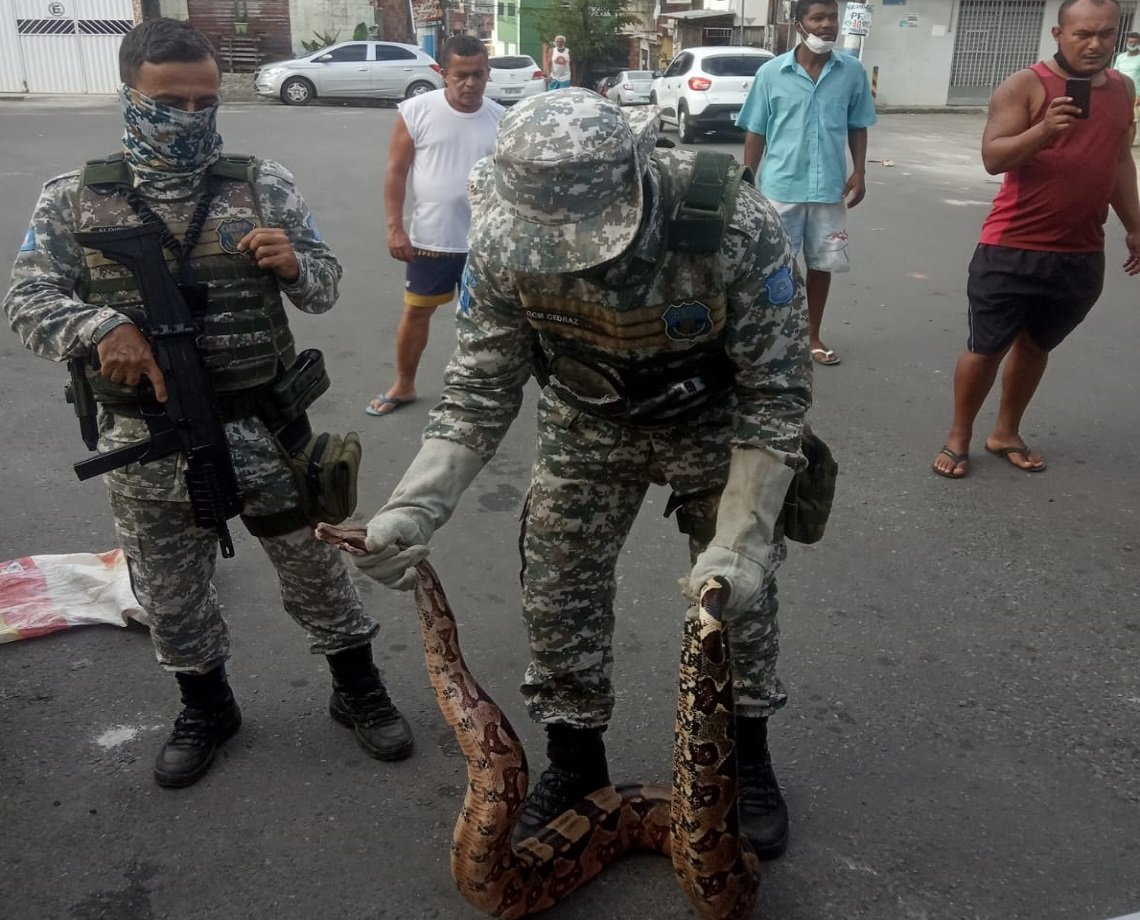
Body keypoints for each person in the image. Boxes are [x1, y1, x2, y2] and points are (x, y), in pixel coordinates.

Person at [345, 90, 811, 860]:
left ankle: (746, 753)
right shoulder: (498, 236)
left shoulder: (730, 224)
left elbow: (776, 389)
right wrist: (412, 510)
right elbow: (480, 388)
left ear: (636, 172)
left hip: (712, 422)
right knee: (557, 584)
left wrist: (745, 534)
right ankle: (575, 759)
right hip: (587, 417)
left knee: (735, 596)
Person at [3, 19, 414, 788]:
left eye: (204, 101)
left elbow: (325, 288)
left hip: (265, 427)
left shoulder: (262, 183)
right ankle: (206, 705)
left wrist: (296, 265)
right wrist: (100, 326)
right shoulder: (75, 200)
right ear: (130, 95)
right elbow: (25, 299)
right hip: (149, 436)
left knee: (316, 568)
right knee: (170, 585)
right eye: (170, 102)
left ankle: (357, 688)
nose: (191, 117)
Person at [931, 0, 1140, 479]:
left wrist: (1134, 225)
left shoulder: (1123, 87)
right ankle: (959, 435)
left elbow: (1121, 162)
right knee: (986, 346)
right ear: (1057, 33)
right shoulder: (1024, 85)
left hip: (1081, 252)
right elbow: (993, 157)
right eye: (1083, 34)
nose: (1096, 44)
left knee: (1037, 345)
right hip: (1012, 246)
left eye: (1107, 34)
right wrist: (1045, 129)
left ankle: (1006, 431)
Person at [366, 35, 504, 418]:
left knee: (485, 324)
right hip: (432, 239)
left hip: (485, 245)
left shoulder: (501, 118)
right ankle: (404, 384)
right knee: (416, 313)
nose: (470, 84)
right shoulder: (416, 111)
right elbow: (396, 172)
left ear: (488, 73)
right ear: (443, 73)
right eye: (461, 75)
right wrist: (395, 227)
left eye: (478, 75)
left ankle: (476, 396)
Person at [735, 0, 877, 368]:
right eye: (818, 18)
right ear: (799, 24)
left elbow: (857, 124)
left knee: (821, 265)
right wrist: (747, 181)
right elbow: (756, 131)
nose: (828, 25)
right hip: (780, 188)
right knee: (773, 267)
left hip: (829, 190)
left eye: (832, 17)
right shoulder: (771, 74)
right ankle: (770, 338)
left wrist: (859, 171)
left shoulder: (852, 72)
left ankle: (812, 336)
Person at [1113, 29, 1140, 143]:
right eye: (1130, 42)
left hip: (1135, 95)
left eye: (1134, 43)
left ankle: (1128, 146)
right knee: (1118, 119)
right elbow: (1115, 74)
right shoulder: (1120, 57)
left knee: (1132, 121)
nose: (1131, 44)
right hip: (1119, 93)